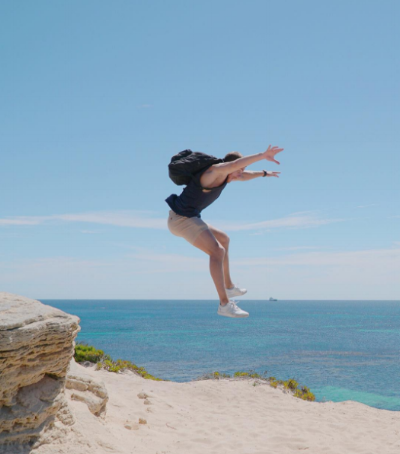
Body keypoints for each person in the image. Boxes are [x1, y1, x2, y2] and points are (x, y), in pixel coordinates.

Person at [165, 145, 283, 318]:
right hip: (180, 219)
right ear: (231, 166)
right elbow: (232, 168)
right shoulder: (214, 171)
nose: (239, 174)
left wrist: (264, 173)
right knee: (217, 251)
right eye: (238, 169)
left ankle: (229, 287)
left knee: (224, 239)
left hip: (189, 218)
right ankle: (224, 304)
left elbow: (244, 175)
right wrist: (262, 155)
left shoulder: (226, 176)